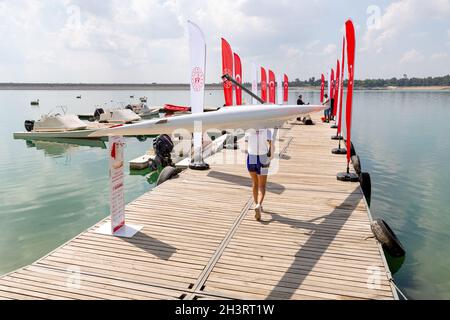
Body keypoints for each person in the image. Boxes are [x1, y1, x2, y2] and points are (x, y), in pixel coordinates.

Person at [246, 128, 274, 221]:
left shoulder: (249, 128)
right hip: (263, 156)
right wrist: (270, 156)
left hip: (251, 156)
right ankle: (259, 205)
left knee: (255, 183)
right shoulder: (267, 130)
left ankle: (256, 203)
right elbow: (271, 145)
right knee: (262, 185)